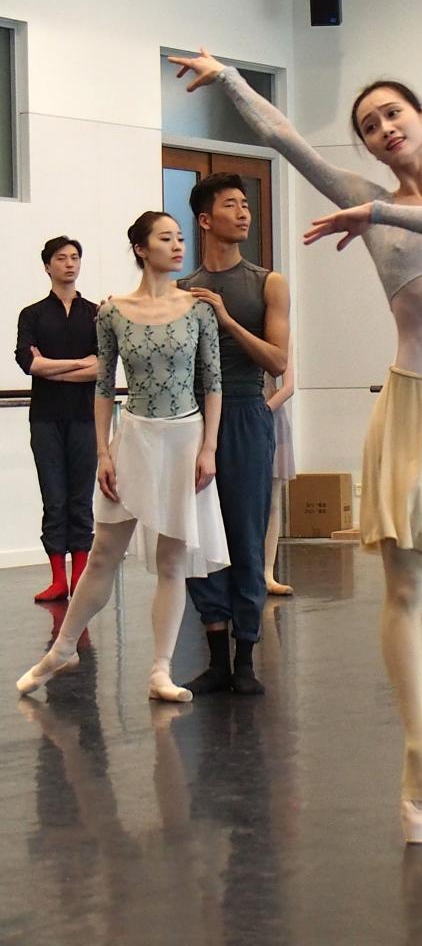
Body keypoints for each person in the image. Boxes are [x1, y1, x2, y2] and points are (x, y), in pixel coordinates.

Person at [169, 50, 422, 843]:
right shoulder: (363, 198)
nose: (383, 128)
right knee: (405, 588)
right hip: (410, 402)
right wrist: (231, 81)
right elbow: (285, 140)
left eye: (393, 113)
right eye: (368, 125)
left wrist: (377, 214)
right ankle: (417, 756)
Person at [17, 211, 228, 703]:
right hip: (133, 436)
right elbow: (103, 385)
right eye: (166, 238)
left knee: (172, 561)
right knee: (103, 555)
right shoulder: (112, 313)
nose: (178, 246)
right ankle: (63, 648)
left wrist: (209, 447)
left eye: (180, 238)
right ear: (141, 248)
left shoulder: (198, 310)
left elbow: (213, 382)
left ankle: (160, 671)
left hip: (185, 438)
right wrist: (104, 452)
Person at [177, 174, 290, 697]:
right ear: (205, 220)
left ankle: (246, 657)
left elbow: (278, 360)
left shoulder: (268, 282)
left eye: (246, 204)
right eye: (231, 205)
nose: (244, 213)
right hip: (192, 416)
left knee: (245, 533)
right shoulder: (181, 290)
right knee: (199, 538)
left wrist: (225, 318)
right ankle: (216, 658)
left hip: (245, 410)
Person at [15, 236, 98, 602]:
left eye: (75, 257)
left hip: (85, 417)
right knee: (54, 498)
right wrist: (79, 363)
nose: (69, 264)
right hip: (46, 419)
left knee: (81, 497)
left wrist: (53, 370)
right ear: (47, 266)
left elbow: (102, 367)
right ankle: (57, 580)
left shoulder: (94, 313)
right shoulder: (32, 314)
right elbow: (30, 363)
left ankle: (80, 578)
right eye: (61, 258)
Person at [263, 337, 296, 595]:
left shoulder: (282, 335)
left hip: (269, 416)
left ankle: (267, 572)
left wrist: (261, 413)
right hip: (242, 414)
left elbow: (289, 387)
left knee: (273, 501)